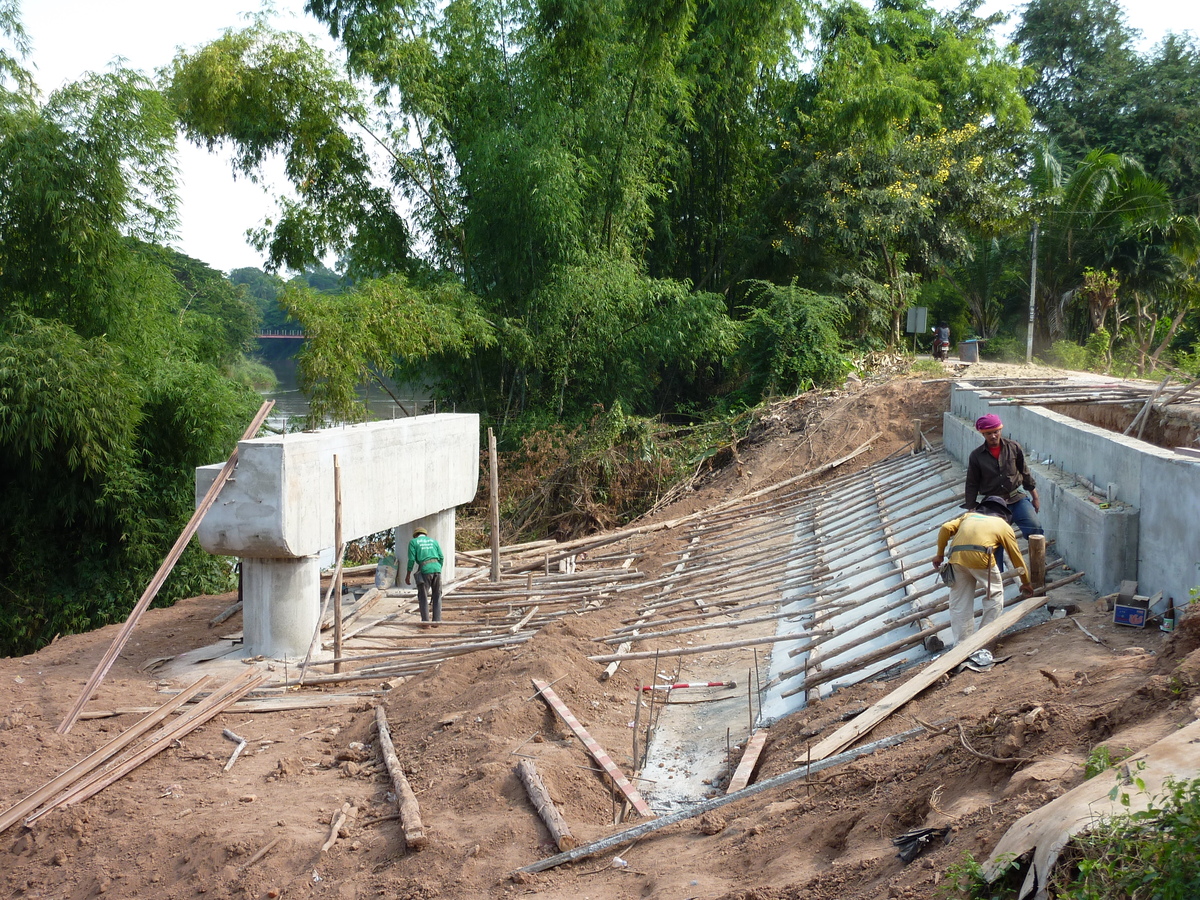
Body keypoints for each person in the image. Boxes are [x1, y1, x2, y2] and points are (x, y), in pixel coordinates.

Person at [933, 496, 1034, 646]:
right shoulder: (1003, 525)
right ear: (1003, 513)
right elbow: (1016, 557)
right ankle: (984, 639)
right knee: (994, 596)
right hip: (981, 559)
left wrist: (940, 554)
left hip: (956, 559)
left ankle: (962, 645)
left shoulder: (968, 516)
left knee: (960, 604)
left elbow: (945, 528)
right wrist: (1025, 582)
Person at [965, 414, 1044, 541]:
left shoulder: (1013, 447)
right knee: (993, 538)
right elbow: (971, 483)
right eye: (989, 433)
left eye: (996, 432)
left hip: (1017, 498)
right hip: (993, 503)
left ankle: (1037, 559)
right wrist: (971, 507)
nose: (993, 436)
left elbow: (1025, 473)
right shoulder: (976, 456)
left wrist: (1035, 497)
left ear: (1000, 430)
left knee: (1035, 529)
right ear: (983, 434)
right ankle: (997, 561)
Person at [405, 527, 444, 623]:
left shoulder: (413, 542)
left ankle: (426, 622)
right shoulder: (434, 541)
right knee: (437, 595)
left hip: (425, 570)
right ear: (425, 534)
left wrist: (408, 574)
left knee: (423, 596)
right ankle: (437, 621)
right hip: (437, 569)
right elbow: (441, 557)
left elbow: (411, 560)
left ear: (416, 535)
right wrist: (438, 568)